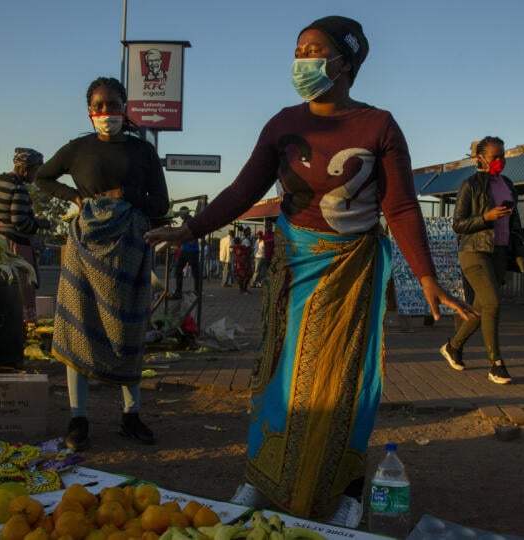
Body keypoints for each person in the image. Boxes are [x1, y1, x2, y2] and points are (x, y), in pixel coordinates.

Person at [144, 15, 471, 526]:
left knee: (342, 382)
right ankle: (260, 475)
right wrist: (190, 231)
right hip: (293, 266)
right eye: (298, 50)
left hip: (352, 271)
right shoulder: (282, 124)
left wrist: (427, 276)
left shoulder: (378, 125)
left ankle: (347, 488)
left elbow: (402, 208)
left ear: (345, 61)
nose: (302, 60)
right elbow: (241, 191)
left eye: (314, 50)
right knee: (276, 376)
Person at [36, 76, 170, 449]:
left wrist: (126, 195)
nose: (106, 112)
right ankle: (78, 419)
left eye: (113, 105)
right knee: (78, 329)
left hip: (129, 251)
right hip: (83, 250)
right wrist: (75, 198)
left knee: (127, 333)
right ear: (89, 111)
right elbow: (42, 177)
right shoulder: (77, 149)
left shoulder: (141, 152)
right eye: (99, 106)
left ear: (125, 108)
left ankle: (131, 415)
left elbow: (161, 204)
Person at [439, 136, 521, 385]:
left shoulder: (507, 184)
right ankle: (496, 364)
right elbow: (458, 224)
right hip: (474, 251)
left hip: (499, 252)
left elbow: (514, 221)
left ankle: (453, 347)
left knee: (481, 306)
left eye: (503, 156)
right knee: (493, 303)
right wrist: (486, 217)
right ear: (480, 158)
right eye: (495, 157)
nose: (500, 161)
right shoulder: (470, 184)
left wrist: (518, 249)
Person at [0, 147, 51, 324]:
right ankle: (21, 327)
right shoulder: (18, 188)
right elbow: (20, 221)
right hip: (14, 246)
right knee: (21, 289)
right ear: (25, 168)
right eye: (35, 171)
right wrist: (38, 223)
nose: (35, 176)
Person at [171, 206, 201, 299]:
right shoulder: (184, 222)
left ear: (185, 213)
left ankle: (197, 292)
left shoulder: (192, 221)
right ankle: (178, 292)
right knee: (178, 270)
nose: (180, 216)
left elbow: (194, 235)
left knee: (196, 273)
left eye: (181, 214)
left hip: (193, 251)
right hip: (184, 250)